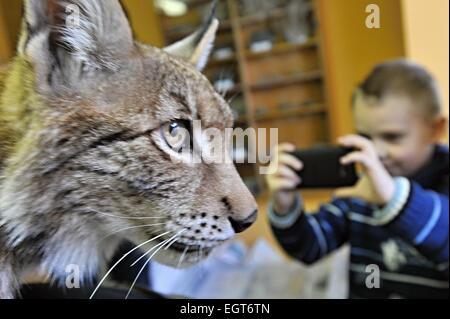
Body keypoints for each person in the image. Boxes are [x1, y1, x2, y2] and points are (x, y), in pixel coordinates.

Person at [266, 60, 449, 298]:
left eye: (392, 137)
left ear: (436, 130)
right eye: (365, 136)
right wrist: (285, 206)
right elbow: (309, 248)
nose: (377, 152)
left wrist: (393, 198)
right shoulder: (359, 185)